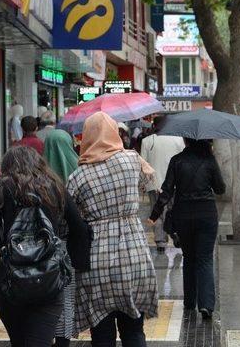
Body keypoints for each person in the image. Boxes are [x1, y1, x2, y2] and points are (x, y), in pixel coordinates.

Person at [0, 146, 91, 347]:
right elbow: (79, 229)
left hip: (11, 281)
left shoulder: (2, 188)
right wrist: (75, 264)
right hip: (48, 279)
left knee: (19, 342)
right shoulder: (55, 187)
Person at [68, 112, 158, 346]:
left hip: (96, 260)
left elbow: (70, 217)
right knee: (134, 330)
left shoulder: (77, 176)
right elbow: (148, 181)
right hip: (134, 254)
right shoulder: (132, 160)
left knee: (102, 335)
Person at [148, 138, 225, 320]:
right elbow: (220, 188)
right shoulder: (209, 160)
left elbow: (166, 190)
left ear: (186, 139)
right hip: (206, 214)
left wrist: (154, 214)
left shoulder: (177, 160)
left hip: (183, 215)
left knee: (189, 258)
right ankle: (206, 305)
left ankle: (190, 302)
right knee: (205, 259)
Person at [43, 129, 83, 347]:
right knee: (66, 298)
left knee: (45, 297)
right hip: (68, 246)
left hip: (42, 248)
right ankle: (63, 340)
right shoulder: (79, 170)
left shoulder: (39, 178)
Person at [140, 116, 185, 253]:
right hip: (175, 184)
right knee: (174, 211)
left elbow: (143, 165)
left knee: (157, 212)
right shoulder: (178, 140)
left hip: (154, 184)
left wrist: (142, 183)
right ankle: (176, 233)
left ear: (154, 125)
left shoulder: (147, 141)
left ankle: (160, 242)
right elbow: (183, 162)